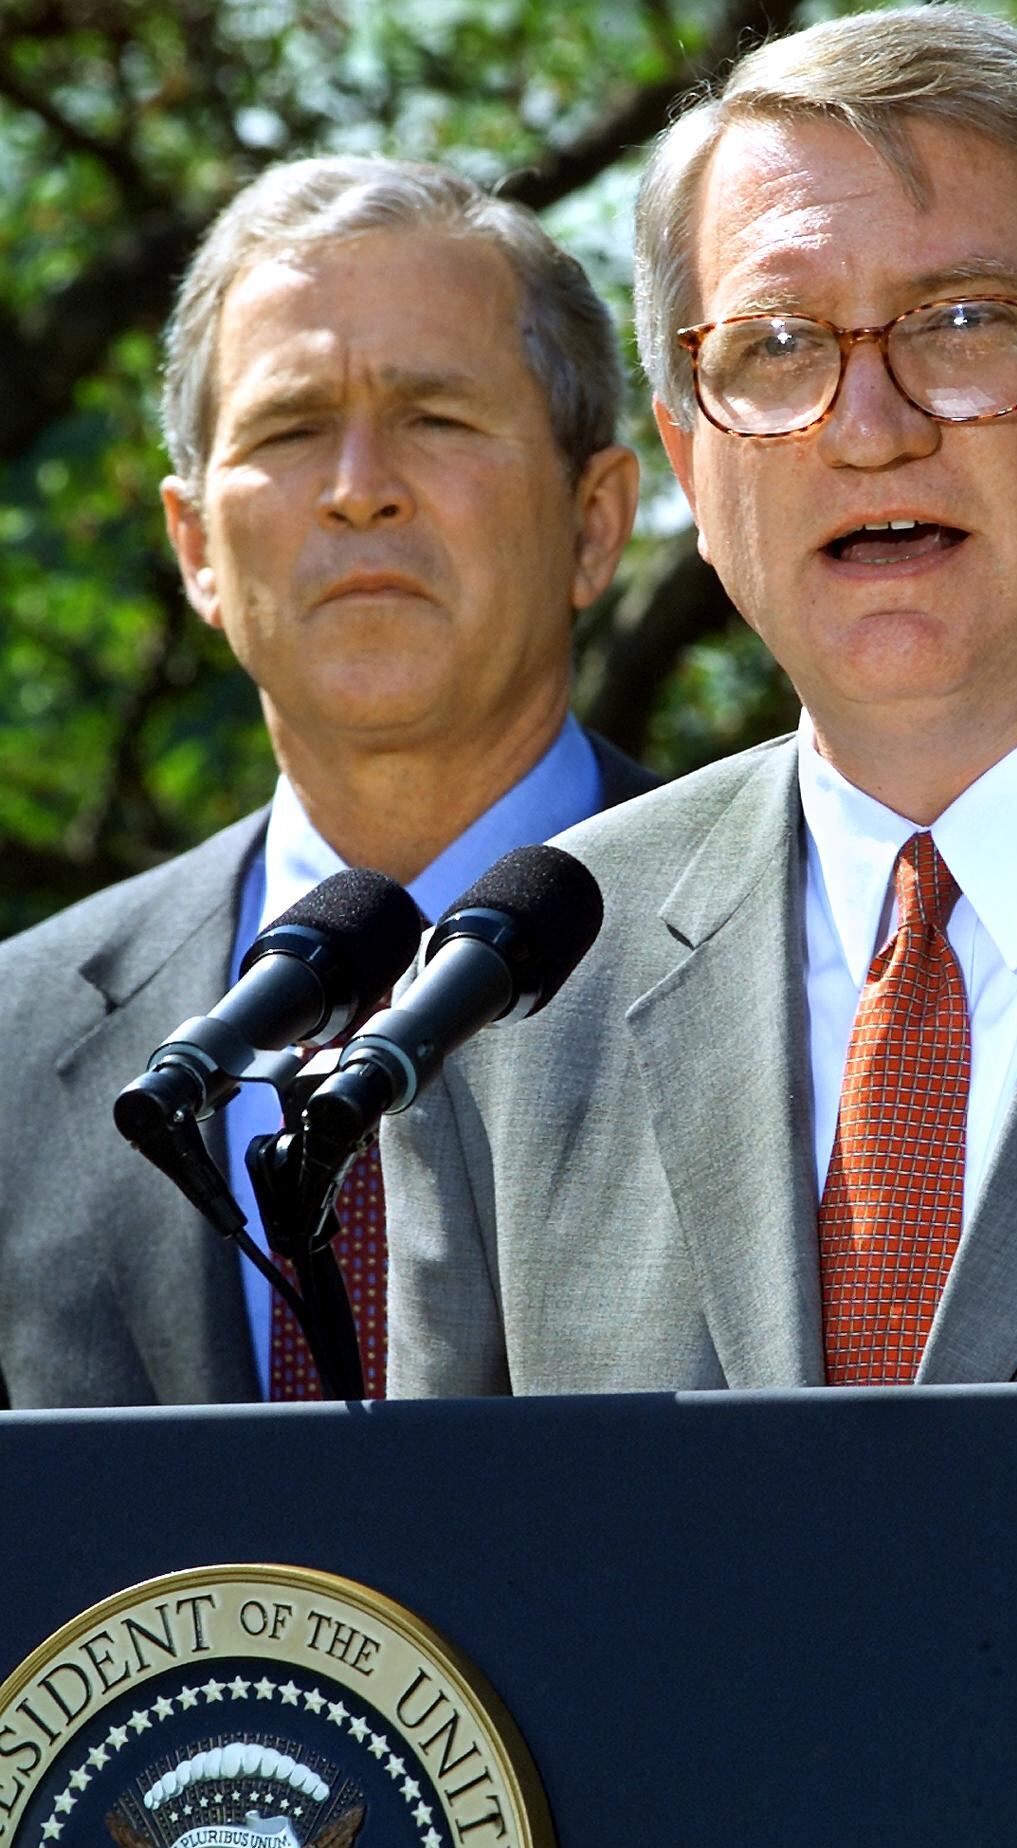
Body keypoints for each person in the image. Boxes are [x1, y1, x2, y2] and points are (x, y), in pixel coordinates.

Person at [382, 5, 1017, 1557]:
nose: (870, 422)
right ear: (693, 469)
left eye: (965, 324)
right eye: (774, 351)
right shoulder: (517, 1001)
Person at [0, 155, 651, 1408]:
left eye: (436, 417)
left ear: (595, 521)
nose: (359, 487)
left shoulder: (809, 951)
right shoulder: (16, 1047)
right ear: (194, 546)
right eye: (293, 428)